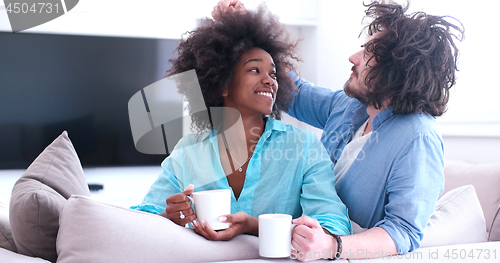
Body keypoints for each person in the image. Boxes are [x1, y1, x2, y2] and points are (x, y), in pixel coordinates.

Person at [213, 0, 464, 260]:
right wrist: (246, 28)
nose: (353, 58)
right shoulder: (350, 106)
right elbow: (293, 92)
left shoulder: (418, 137)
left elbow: (403, 232)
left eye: (367, 54)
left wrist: (332, 246)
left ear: (397, 72)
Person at [131, 5, 351, 248]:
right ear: (223, 84)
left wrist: (254, 226)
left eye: (274, 74)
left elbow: (333, 225)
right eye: (254, 70)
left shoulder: (303, 146)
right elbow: (140, 220)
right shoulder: (189, 151)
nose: (269, 80)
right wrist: (168, 217)